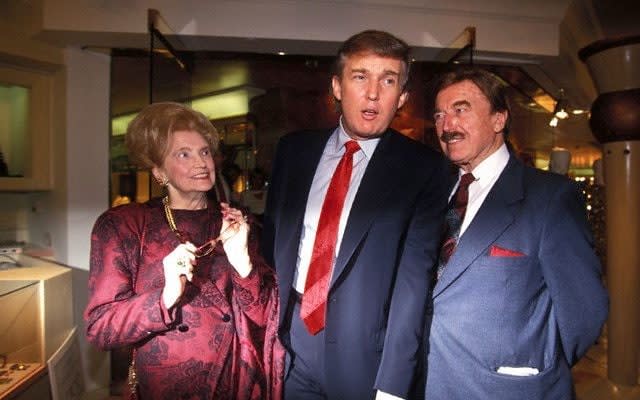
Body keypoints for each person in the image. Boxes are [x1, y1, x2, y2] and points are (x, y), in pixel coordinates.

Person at [262, 30, 449, 399]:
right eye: (360, 76)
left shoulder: (424, 170)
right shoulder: (293, 151)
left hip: (365, 359)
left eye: (389, 80)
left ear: (403, 97)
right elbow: (273, 248)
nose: (374, 93)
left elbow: (413, 284)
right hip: (288, 344)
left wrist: (393, 385)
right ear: (337, 86)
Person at [424, 67, 608, 399]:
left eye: (460, 110)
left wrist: (536, 366)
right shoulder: (431, 196)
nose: (447, 125)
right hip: (428, 384)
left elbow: (585, 312)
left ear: (499, 120)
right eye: (440, 115)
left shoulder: (549, 198)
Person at [84, 102, 284, 399]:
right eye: (183, 154)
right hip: (166, 389)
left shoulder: (237, 222)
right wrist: (164, 297)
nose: (201, 163)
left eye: (204, 151)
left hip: (236, 383)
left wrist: (242, 263)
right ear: (159, 171)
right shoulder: (123, 226)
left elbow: (268, 318)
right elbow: (102, 328)